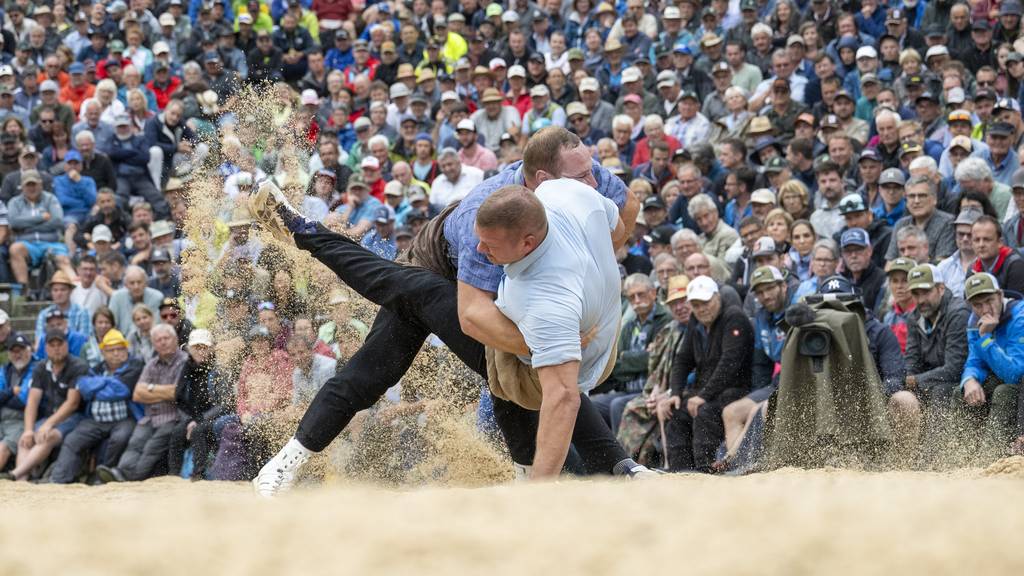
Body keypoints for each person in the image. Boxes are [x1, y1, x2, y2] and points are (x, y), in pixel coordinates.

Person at [247, 127, 644, 495]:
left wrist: (600, 252)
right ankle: (285, 462)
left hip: (506, 271)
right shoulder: (482, 231)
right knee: (381, 365)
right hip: (440, 266)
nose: (594, 185)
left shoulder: (580, 179)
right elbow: (473, 313)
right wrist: (538, 341)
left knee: (516, 372)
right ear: (544, 181)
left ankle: (606, 467)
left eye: (592, 176)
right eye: (584, 181)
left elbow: (628, 205)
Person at [475, 181, 642, 477]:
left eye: (490, 244)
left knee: (475, 319)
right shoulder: (563, 189)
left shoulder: (541, 300)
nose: (479, 248)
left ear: (527, 243)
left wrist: (541, 488)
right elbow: (619, 223)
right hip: (601, 325)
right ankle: (620, 466)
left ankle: (530, 470)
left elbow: (564, 397)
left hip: (558, 369)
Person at [657, 275, 754, 472]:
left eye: (705, 302)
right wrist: (675, 392)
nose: (701, 308)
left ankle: (706, 470)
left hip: (736, 389)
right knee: (676, 412)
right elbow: (683, 359)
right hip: (706, 390)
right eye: (696, 304)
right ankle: (680, 471)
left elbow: (730, 364)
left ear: (717, 297)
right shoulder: (696, 319)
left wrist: (702, 396)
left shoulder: (734, 318)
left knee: (705, 412)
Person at [889, 264, 968, 466]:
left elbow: (955, 368)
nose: (921, 300)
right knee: (899, 394)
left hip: (965, 379)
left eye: (926, 292)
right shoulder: (915, 317)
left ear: (940, 288)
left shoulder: (957, 312)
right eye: (916, 293)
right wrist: (909, 381)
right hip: (931, 380)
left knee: (940, 391)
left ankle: (933, 458)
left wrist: (916, 380)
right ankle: (898, 458)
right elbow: (912, 362)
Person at [48, 329, 143, 484]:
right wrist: (108, 382)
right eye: (111, 350)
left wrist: (98, 384)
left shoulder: (134, 366)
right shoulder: (97, 368)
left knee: (120, 437)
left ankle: (102, 475)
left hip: (124, 418)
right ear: (103, 353)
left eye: (120, 349)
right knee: (73, 439)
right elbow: (84, 389)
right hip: (95, 420)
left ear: (127, 350)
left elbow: (121, 392)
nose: (116, 353)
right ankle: (58, 479)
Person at [96, 324, 187, 482]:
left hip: (173, 417)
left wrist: (151, 389)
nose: (163, 342)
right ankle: (120, 472)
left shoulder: (185, 361)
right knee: (135, 443)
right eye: (158, 340)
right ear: (154, 344)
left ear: (176, 340)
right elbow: (137, 394)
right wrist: (165, 393)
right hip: (150, 417)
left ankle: (130, 478)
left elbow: (177, 393)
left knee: (152, 447)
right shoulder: (151, 364)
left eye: (166, 338)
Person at [3, 329, 88, 481]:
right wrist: (28, 430)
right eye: (52, 345)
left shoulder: (78, 366)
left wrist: (48, 424)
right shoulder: (41, 367)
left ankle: (14, 475)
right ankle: (21, 483)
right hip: (49, 416)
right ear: (46, 348)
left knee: (48, 436)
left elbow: (72, 403)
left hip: (73, 417)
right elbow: (32, 400)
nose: (56, 348)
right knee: (25, 439)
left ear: (67, 345)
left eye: (59, 344)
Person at [591, 273, 670, 434]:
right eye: (632, 297)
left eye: (640, 294)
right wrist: (634, 359)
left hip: (650, 390)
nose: (637, 300)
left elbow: (656, 360)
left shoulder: (664, 320)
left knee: (617, 405)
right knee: (592, 406)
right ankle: (598, 457)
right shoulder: (628, 326)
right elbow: (615, 365)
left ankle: (623, 456)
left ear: (653, 293)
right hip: (626, 387)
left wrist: (626, 357)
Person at [957, 273, 1024, 460]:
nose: (985, 309)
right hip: (1001, 375)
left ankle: (989, 458)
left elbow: (1016, 373)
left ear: (1000, 294)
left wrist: (986, 339)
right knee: (962, 392)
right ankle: (960, 456)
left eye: (989, 300)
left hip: (1019, 383)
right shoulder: (973, 321)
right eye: (978, 305)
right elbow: (974, 361)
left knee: (1003, 391)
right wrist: (969, 379)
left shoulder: (1020, 315)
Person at [885, 175, 956, 261]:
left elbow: (942, 263)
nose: (916, 201)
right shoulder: (900, 224)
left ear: (934, 199)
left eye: (922, 195)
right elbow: (890, 263)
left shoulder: (947, 223)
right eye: (911, 196)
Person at [969, 215, 1024, 295]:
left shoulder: (1015, 266)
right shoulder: (972, 270)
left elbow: (1016, 304)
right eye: (976, 240)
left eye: (987, 239)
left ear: (1000, 242)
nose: (981, 245)